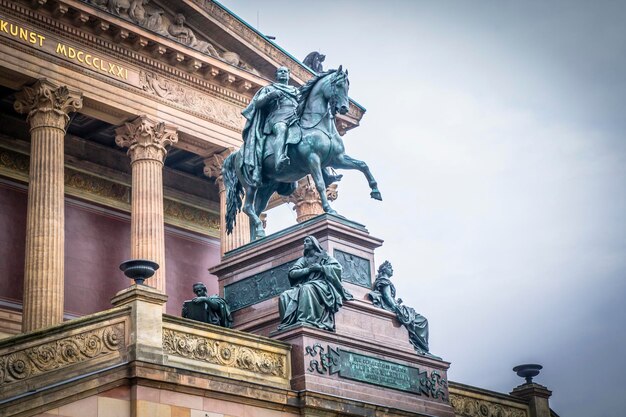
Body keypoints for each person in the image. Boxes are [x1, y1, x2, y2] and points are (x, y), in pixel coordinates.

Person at [278, 236, 353, 331]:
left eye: (307, 241)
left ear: (314, 243)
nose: (304, 243)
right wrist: (308, 270)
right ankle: (288, 323)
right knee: (284, 295)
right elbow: (292, 273)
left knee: (307, 289)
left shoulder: (325, 256)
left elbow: (337, 268)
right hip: (306, 284)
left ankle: (306, 319)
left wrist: (321, 268)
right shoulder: (304, 260)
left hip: (322, 284)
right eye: (304, 242)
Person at [241, 66, 299, 185]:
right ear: (276, 75)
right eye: (280, 72)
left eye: (285, 72)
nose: (283, 74)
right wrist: (271, 95)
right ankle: (279, 159)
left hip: (294, 118)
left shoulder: (296, 91)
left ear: (289, 75)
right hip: (277, 118)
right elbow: (257, 104)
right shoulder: (269, 89)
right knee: (281, 129)